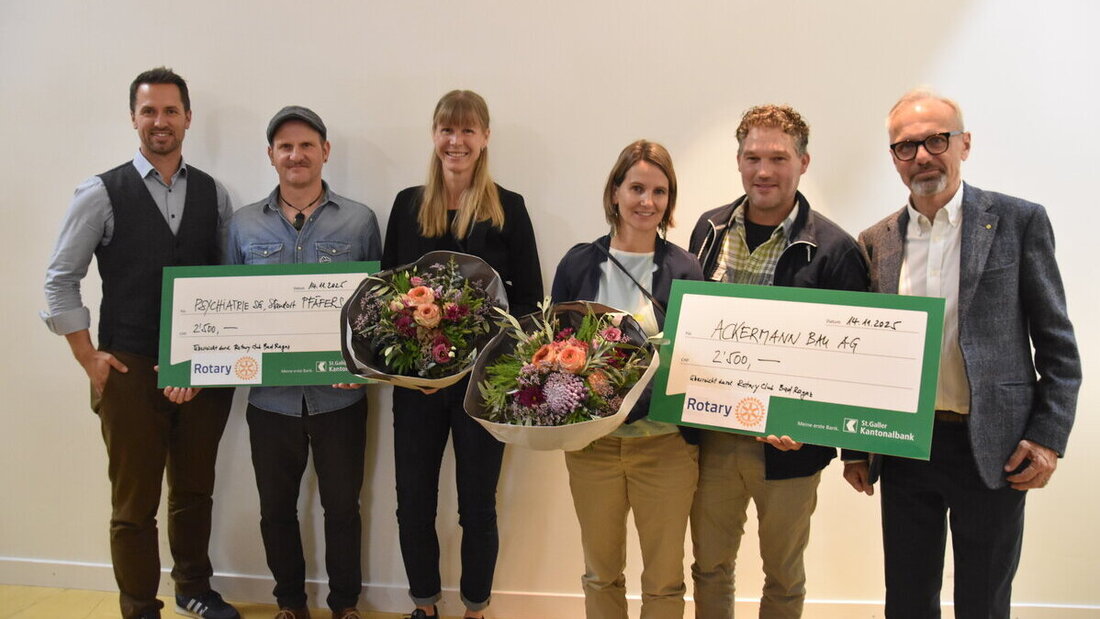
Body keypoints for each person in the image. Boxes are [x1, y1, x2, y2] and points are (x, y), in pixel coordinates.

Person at [843, 88, 1081, 618]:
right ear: (894, 158)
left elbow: (1058, 345)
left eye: (936, 140)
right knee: (907, 599)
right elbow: (862, 353)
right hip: (905, 445)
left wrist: (1048, 438)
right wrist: (855, 448)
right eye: (906, 146)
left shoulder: (1018, 222)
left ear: (964, 144)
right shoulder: (876, 240)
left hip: (995, 447)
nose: (922, 156)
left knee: (984, 601)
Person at [41, 67, 238, 619]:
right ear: (134, 118)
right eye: (149, 111)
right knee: (134, 505)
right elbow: (60, 279)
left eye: (171, 110)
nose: (160, 121)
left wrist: (210, 362)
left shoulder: (214, 194)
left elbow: (228, 283)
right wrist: (86, 355)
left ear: (188, 118)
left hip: (201, 369)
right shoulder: (101, 193)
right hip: (127, 368)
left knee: (195, 492)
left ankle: (193, 589)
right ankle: (139, 606)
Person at [687, 104, 868, 618]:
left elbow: (851, 360)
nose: (763, 171)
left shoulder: (835, 249)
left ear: (803, 163)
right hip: (715, 438)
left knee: (784, 576)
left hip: (791, 446)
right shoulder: (708, 230)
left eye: (778, 158)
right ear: (738, 161)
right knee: (709, 567)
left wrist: (829, 436)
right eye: (753, 157)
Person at [381, 90, 543, 619]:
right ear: (434, 135)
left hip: (483, 390)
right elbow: (385, 295)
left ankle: (476, 608)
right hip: (418, 390)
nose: (457, 141)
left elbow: (529, 302)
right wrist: (412, 370)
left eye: (468, 130)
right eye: (448, 130)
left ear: (485, 137)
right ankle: (424, 605)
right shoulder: (407, 205)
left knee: (477, 508)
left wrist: (493, 366)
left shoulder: (509, 208)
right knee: (413, 505)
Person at [225, 106, 382, 619]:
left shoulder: (359, 220)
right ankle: (290, 603)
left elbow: (378, 311)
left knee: (343, 509)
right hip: (269, 401)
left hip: (340, 399)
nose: (296, 155)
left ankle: (345, 606)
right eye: (286, 146)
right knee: (276, 510)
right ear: (271, 155)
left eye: (307, 145)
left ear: (325, 152)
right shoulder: (242, 224)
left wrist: (361, 367)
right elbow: (225, 306)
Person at [550, 140, 703, 619]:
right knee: (600, 574)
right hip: (592, 448)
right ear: (615, 191)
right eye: (637, 188)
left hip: (665, 448)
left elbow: (694, 362)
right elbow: (551, 349)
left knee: (664, 582)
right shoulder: (578, 264)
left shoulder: (685, 268)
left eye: (660, 191)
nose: (647, 202)